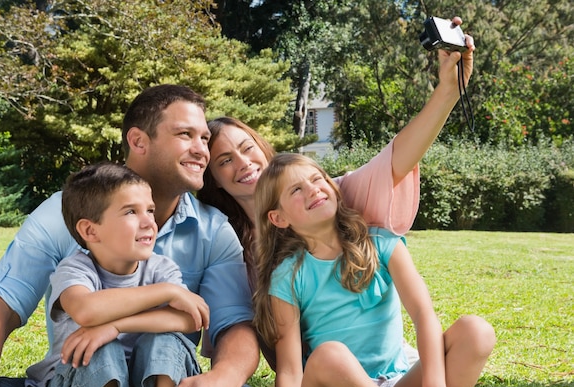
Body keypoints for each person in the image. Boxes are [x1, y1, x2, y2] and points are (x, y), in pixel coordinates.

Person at [0, 85, 264, 387]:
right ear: (139, 141)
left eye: (204, 139)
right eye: (186, 134)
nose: (202, 150)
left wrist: (225, 379)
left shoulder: (212, 229)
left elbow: (233, 325)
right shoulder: (65, 214)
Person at [197, 16, 475, 367]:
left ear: (262, 146)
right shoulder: (227, 246)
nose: (243, 162)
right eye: (224, 160)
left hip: (384, 365)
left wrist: (448, 91)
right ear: (214, 181)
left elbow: (399, 156)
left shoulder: (329, 197)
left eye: (246, 146)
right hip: (322, 382)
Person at [252, 153, 495, 387]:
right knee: (329, 355)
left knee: (476, 331)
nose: (313, 189)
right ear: (279, 218)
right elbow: (289, 370)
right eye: (296, 189)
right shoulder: (288, 276)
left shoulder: (381, 243)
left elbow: (424, 315)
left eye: (317, 178)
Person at [26, 162, 210, 387]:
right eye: (131, 212)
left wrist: (115, 326)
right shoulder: (75, 269)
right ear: (90, 230)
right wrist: (168, 292)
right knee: (100, 348)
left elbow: (191, 318)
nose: (149, 221)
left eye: (150, 210)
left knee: (168, 340)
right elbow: (86, 311)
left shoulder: (160, 269)